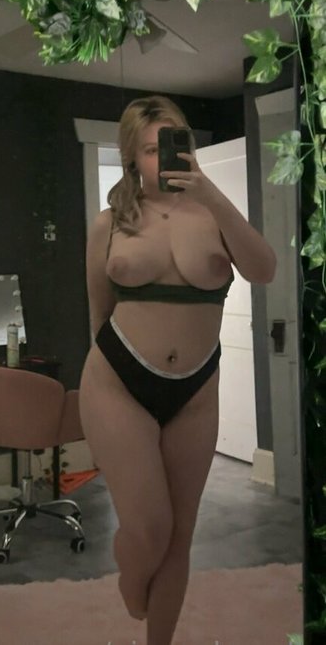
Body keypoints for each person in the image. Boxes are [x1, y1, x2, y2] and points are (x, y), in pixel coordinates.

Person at [78, 95, 277, 645]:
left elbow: (264, 269)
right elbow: (98, 313)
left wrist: (209, 192)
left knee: (179, 537)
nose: (162, 157)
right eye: (149, 149)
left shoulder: (214, 215)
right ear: (132, 157)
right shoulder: (109, 224)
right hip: (117, 383)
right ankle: (130, 572)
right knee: (150, 528)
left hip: (196, 390)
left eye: (173, 142)